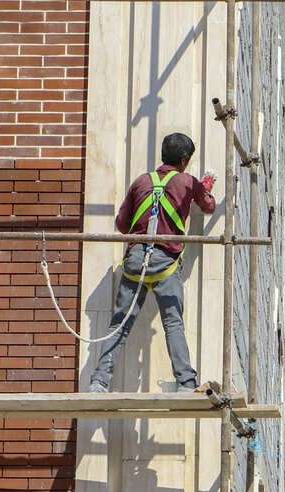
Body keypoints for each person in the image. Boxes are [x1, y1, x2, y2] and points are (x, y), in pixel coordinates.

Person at [87, 132, 217, 393]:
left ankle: (99, 381)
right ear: (183, 160)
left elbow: (122, 225)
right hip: (164, 263)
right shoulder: (187, 181)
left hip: (136, 260)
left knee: (120, 324)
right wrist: (205, 187)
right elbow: (209, 207)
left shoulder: (141, 181)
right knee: (173, 322)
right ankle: (185, 382)